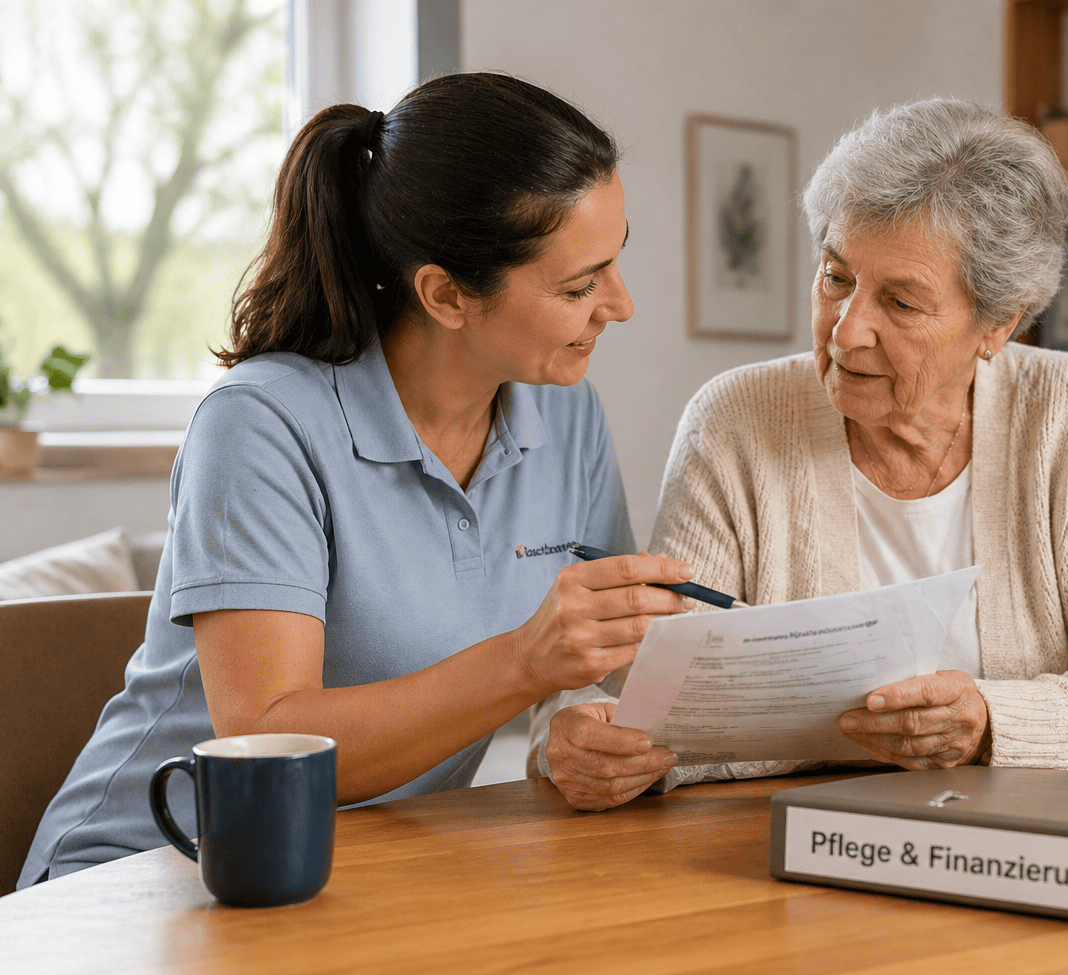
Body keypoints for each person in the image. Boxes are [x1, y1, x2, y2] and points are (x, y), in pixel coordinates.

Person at [19, 73, 693, 886]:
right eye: (580, 285)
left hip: (370, 872)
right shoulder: (261, 425)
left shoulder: (567, 415)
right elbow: (265, 738)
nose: (619, 305)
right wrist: (523, 662)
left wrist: (575, 729)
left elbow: (589, 664)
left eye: (614, 262)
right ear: (446, 294)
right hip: (156, 877)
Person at [534, 99, 1068, 810]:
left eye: (900, 303)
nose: (847, 332)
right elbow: (649, 693)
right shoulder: (737, 419)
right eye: (836, 278)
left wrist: (991, 722)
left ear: (998, 323)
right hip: (784, 849)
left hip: (1032, 841)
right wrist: (586, 739)